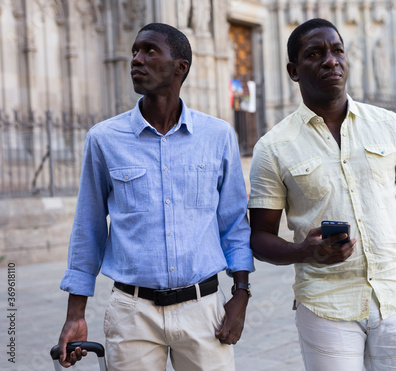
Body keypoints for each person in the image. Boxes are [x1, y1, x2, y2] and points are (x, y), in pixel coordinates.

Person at [248, 18, 396, 370]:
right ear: (293, 71)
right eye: (316, 54)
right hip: (325, 309)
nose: (331, 60)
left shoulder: (391, 127)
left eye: (337, 50)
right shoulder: (273, 148)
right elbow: (258, 237)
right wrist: (303, 251)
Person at [57, 23, 254, 371]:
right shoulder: (104, 139)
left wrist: (241, 295)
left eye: (150, 51)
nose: (137, 59)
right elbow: (88, 229)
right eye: (135, 50)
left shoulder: (218, 136)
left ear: (181, 67)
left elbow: (235, 224)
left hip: (204, 310)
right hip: (132, 314)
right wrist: (76, 313)